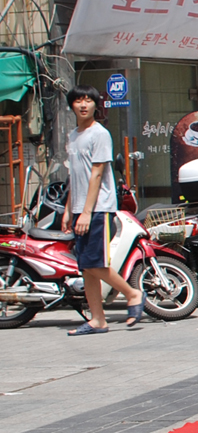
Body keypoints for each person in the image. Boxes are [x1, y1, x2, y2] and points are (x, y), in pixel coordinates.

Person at [63, 85, 144, 336]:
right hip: (81, 208)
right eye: (79, 101)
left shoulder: (100, 134)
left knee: (92, 262)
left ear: (96, 105)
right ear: (72, 105)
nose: (84, 105)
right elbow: (74, 175)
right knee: (86, 267)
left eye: (89, 100)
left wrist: (86, 212)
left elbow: (97, 174)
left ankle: (132, 293)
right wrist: (69, 210)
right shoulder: (73, 136)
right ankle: (97, 319)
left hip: (98, 209)